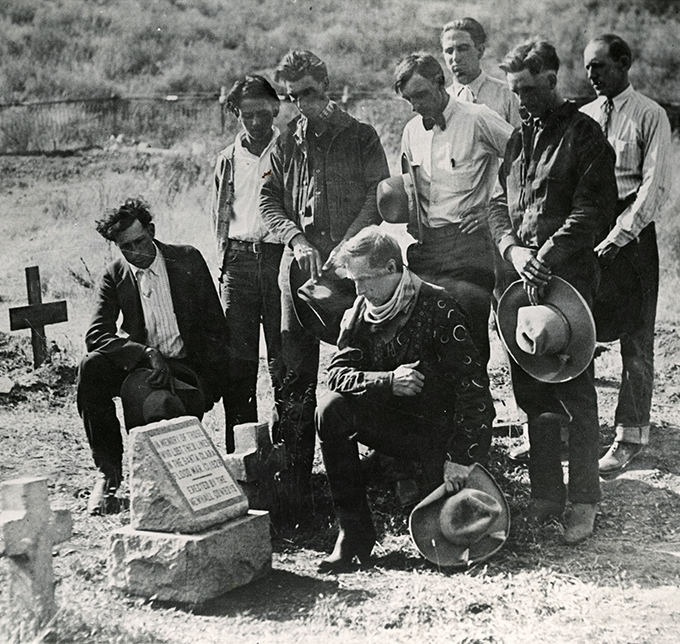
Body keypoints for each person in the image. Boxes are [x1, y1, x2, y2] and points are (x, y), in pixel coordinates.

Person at [487, 40, 617, 544]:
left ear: (550, 79)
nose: (520, 99)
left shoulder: (585, 135)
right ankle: (546, 493)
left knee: (576, 394)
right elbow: (498, 204)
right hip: (520, 284)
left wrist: (547, 254)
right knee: (531, 388)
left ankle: (584, 499)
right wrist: (514, 251)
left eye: (526, 88)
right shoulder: (518, 140)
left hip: (567, 286)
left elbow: (594, 210)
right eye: (513, 91)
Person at [315, 227, 492, 572]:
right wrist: (387, 382)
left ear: (393, 268)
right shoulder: (360, 312)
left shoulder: (439, 306)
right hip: (391, 426)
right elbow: (336, 375)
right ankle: (353, 533)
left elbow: (473, 389)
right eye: (354, 281)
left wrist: (460, 456)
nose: (359, 289)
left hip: (437, 436)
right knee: (330, 409)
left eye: (365, 279)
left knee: (446, 550)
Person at [259, 50, 390, 502]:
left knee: (361, 364)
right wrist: (295, 239)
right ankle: (294, 486)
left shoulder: (360, 136)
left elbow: (378, 194)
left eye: (308, 94)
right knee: (294, 376)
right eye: (291, 97)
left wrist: (347, 247)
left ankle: (376, 472)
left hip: (353, 273)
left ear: (327, 86)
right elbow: (267, 202)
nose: (300, 105)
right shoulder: (284, 142)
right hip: (297, 275)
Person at [78, 198, 228, 515]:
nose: (136, 253)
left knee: (159, 409)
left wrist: (208, 388)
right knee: (91, 367)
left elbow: (216, 328)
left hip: (185, 369)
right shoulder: (115, 275)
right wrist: (145, 353)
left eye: (140, 241)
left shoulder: (187, 259)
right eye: (126, 247)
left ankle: (169, 482)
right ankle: (108, 474)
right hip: (143, 367)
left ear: (152, 231)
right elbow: (96, 336)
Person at [394, 52, 512, 445]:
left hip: (469, 247)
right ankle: (433, 440)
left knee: (468, 342)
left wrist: (496, 208)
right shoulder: (412, 130)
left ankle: (476, 441)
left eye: (422, 95)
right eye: (410, 100)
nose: (417, 106)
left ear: (439, 81)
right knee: (422, 339)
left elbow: (526, 159)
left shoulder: (478, 118)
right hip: (428, 248)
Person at [580, 34, 672, 474]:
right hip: (587, 229)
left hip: (632, 235)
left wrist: (620, 234)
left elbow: (654, 185)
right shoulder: (583, 117)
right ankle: (570, 430)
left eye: (599, 66)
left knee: (636, 336)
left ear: (624, 64)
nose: (591, 75)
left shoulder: (650, 115)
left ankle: (629, 434)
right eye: (586, 67)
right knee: (578, 328)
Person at [211, 74, 285, 453]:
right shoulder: (227, 159)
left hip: (278, 262)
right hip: (238, 264)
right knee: (238, 365)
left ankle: (285, 450)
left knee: (282, 360)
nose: (255, 123)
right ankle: (241, 455)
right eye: (246, 116)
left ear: (275, 109)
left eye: (262, 114)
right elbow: (220, 217)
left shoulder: (289, 151)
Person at [441, 17, 521, 127]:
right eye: (449, 51)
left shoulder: (507, 95)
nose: (455, 57)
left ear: (480, 50)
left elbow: (521, 140)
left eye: (463, 48)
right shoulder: (442, 101)